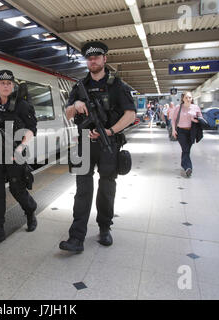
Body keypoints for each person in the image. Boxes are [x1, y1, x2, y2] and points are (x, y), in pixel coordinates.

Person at [59, 41, 136, 252]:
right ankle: (76, 237)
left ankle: (104, 228)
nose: (92, 61)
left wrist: (110, 131)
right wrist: (74, 105)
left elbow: (130, 115)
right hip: (84, 143)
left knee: (106, 188)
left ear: (104, 59)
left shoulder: (117, 85)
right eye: (89, 58)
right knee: (82, 190)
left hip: (108, 143)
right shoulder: (79, 86)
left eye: (96, 57)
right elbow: (66, 114)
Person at [0, 70, 38, 246]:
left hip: (14, 153)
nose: (5, 86)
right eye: (2, 83)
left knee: (17, 189)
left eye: (8, 83)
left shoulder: (22, 106)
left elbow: (32, 129)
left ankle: (30, 212)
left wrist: (20, 148)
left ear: (13, 85)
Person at [170, 92, 202, 177]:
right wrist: (173, 130)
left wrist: (194, 120)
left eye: (190, 98)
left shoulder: (196, 108)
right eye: (186, 98)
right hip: (181, 131)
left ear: (192, 99)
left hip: (192, 131)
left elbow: (201, 119)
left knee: (187, 150)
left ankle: (184, 164)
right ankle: (188, 168)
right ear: (183, 99)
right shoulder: (178, 108)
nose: (188, 99)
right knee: (185, 149)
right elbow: (173, 120)